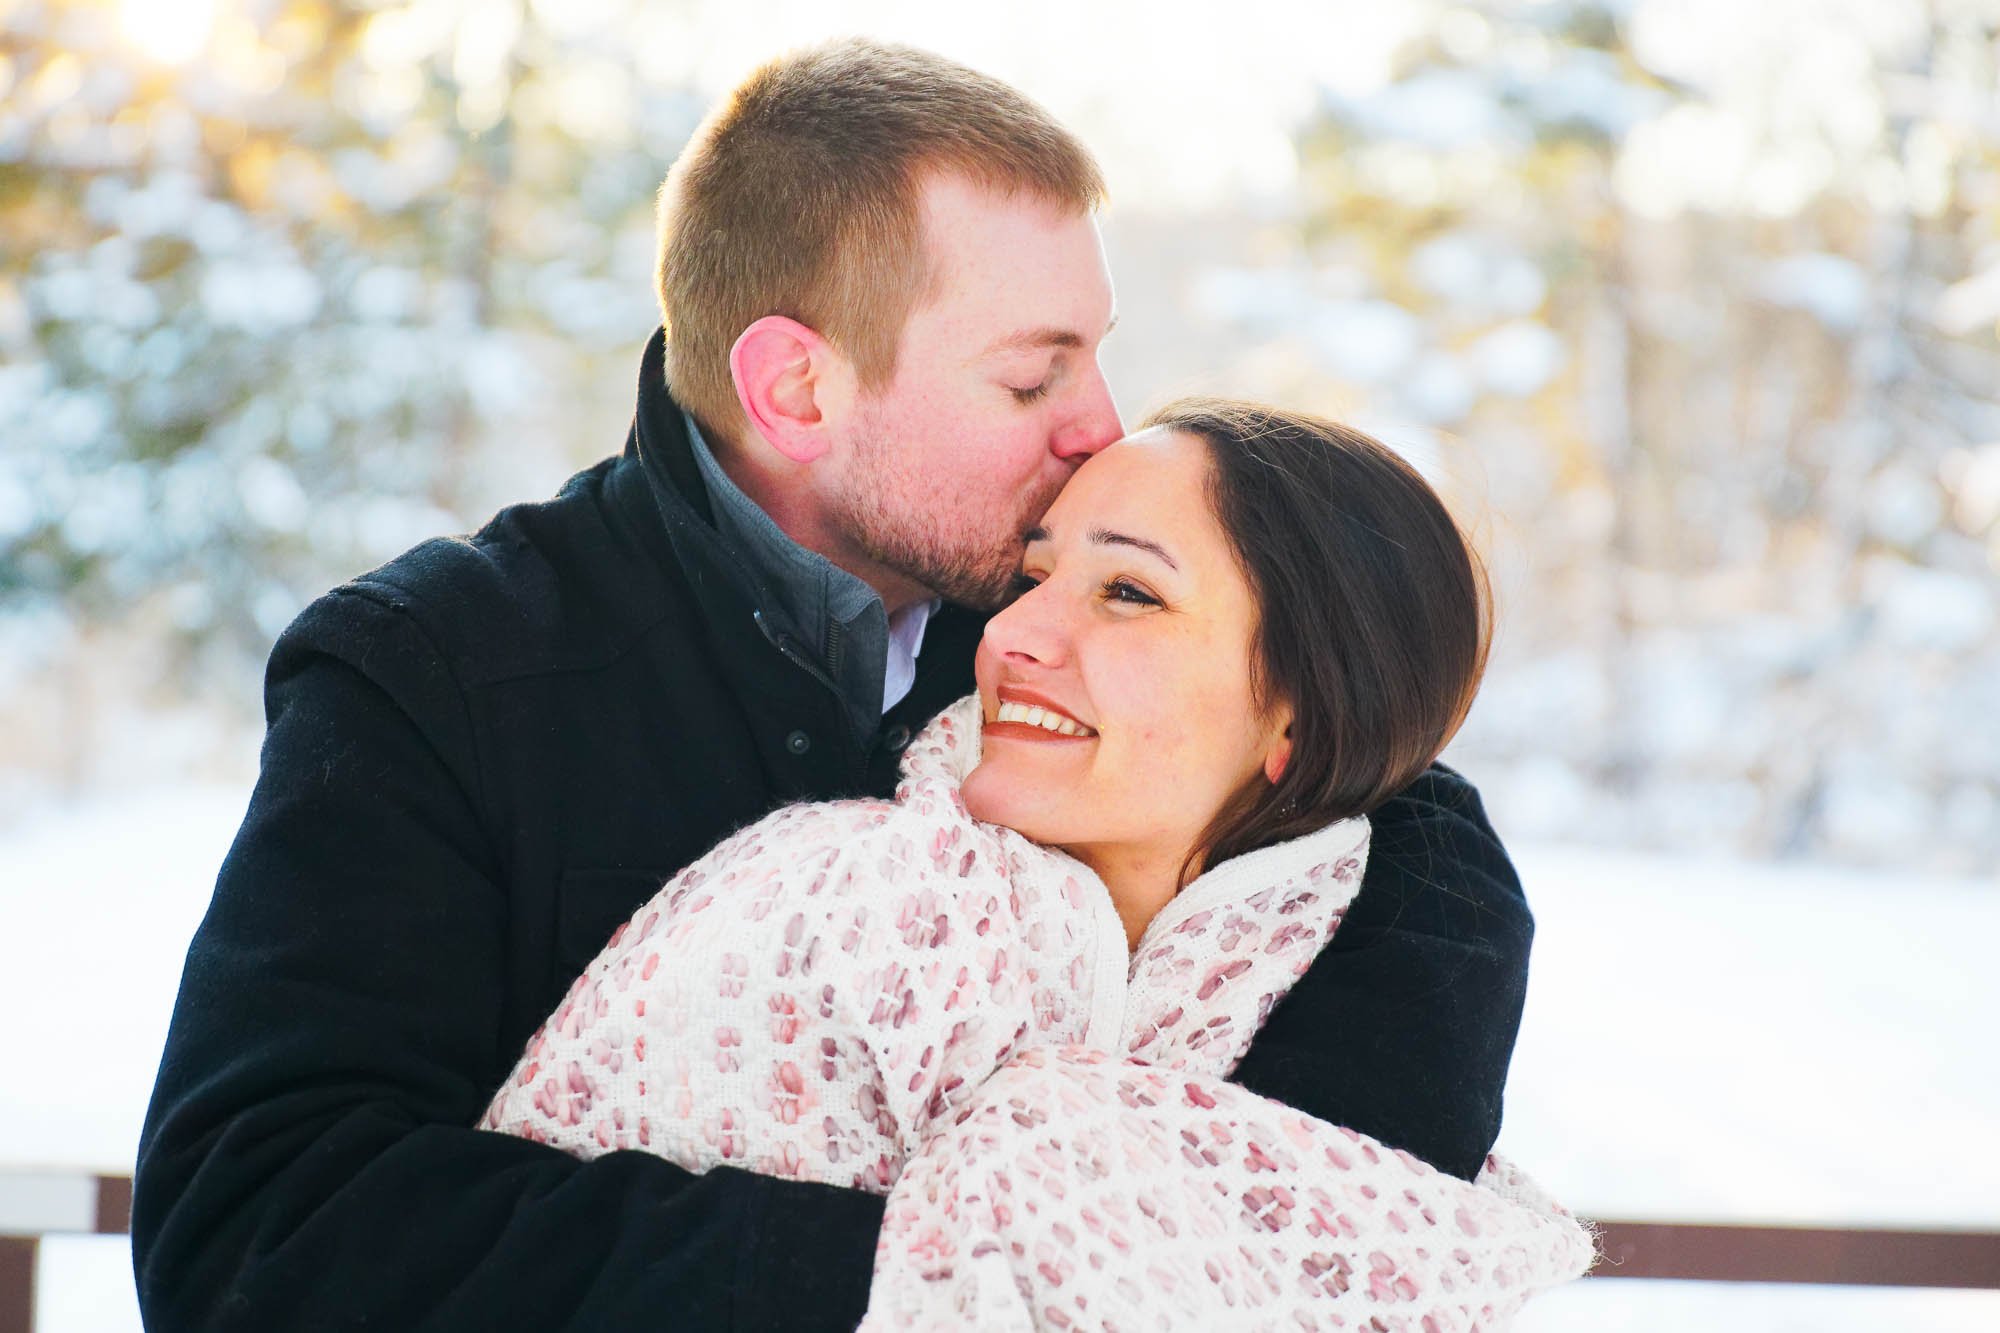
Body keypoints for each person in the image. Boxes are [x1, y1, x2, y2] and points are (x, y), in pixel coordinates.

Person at [134, 40, 1533, 1333]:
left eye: (1097, 350)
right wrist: (936, 1273)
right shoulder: (439, 673)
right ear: (797, 390)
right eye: (1033, 375)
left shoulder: (1039, 607)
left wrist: (1195, 1238)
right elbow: (258, 1227)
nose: (1101, 423)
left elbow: (1386, 789)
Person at [480, 405, 1591, 1328]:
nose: (1009, 639)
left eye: (1126, 593)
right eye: (1034, 576)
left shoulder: (1353, 991)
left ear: (1294, 723)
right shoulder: (833, 909)